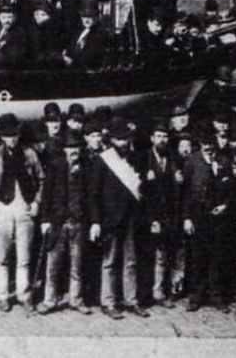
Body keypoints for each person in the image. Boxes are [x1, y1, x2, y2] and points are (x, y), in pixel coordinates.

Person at [0, 112, 44, 314]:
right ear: (1, 136)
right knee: (2, 257)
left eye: (14, 134)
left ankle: (24, 295)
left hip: (24, 209)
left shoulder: (29, 154)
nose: (12, 139)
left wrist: (36, 203)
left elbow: (42, 180)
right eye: (7, 135)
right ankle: (2, 296)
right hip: (3, 210)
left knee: (24, 258)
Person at [87, 115, 150, 320]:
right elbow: (93, 194)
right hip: (110, 219)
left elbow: (140, 189)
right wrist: (96, 221)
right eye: (120, 139)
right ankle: (108, 302)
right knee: (110, 262)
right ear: (112, 140)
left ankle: (131, 301)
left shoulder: (135, 158)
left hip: (132, 218)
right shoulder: (102, 160)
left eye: (126, 138)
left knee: (131, 261)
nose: (124, 142)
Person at [37, 128, 91, 315]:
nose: (73, 151)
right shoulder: (55, 166)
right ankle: (49, 300)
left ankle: (76, 299)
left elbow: (91, 197)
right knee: (53, 264)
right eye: (70, 147)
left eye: (76, 147)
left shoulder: (86, 168)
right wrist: (44, 219)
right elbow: (46, 195)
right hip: (57, 222)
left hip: (78, 222)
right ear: (64, 149)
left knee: (77, 265)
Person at [182, 129, 234, 313]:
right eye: (205, 147)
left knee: (217, 257)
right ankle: (196, 296)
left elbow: (231, 190)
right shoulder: (192, 162)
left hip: (217, 217)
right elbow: (185, 193)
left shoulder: (224, 162)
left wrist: (225, 206)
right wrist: (187, 218)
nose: (209, 150)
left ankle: (217, 295)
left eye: (211, 146)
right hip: (198, 215)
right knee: (198, 257)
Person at [142, 119, 183, 308]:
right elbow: (141, 193)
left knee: (166, 254)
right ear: (152, 138)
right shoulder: (144, 158)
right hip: (150, 216)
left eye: (165, 136)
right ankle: (148, 293)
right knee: (151, 255)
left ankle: (161, 291)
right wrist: (151, 219)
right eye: (158, 136)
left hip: (169, 215)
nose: (162, 140)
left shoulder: (173, 158)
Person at [0, 4, 26, 70]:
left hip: (11, 69)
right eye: (3, 17)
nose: (6, 21)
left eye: (10, 17)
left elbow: (14, 56)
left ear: (14, 18)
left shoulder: (19, 32)